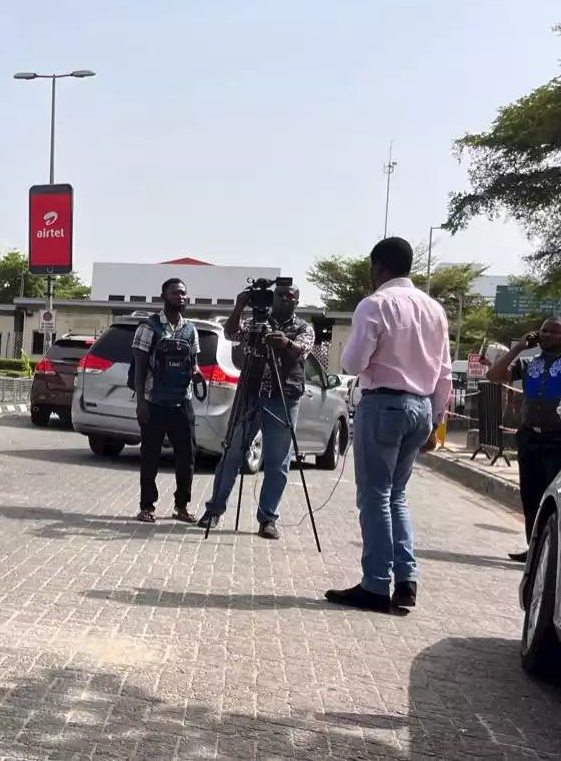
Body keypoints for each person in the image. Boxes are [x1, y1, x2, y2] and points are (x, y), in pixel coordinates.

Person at [327, 237, 451, 613]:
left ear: (378, 267)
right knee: (396, 495)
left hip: (384, 405)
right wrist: (437, 421)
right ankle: (406, 579)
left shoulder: (376, 304)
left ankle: (377, 584)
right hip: (421, 408)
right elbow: (444, 372)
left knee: (376, 496)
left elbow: (351, 363)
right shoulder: (435, 310)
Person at [197, 283, 315, 539]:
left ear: (297, 301)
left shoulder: (303, 327)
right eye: (280, 295)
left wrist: (285, 343)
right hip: (250, 395)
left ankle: (268, 519)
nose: (284, 299)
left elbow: (303, 350)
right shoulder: (255, 321)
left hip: (283, 398)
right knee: (231, 454)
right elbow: (230, 334)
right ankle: (214, 511)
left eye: (290, 297)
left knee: (277, 462)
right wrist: (239, 307)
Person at [129, 278, 206, 524]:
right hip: (154, 401)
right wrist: (141, 402)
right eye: (176, 293)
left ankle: (181, 506)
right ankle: (146, 507)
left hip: (181, 402)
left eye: (184, 293)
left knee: (187, 456)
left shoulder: (190, 330)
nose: (181, 297)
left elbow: (193, 363)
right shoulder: (148, 327)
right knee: (150, 456)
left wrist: (196, 373)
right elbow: (140, 367)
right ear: (163, 296)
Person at [486, 317, 561, 562]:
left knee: (554, 499)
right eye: (544, 331)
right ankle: (535, 549)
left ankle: (552, 554)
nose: (548, 335)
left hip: (557, 440)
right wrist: (518, 348)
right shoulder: (529, 364)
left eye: (554, 332)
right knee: (531, 496)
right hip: (530, 437)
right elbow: (494, 375)